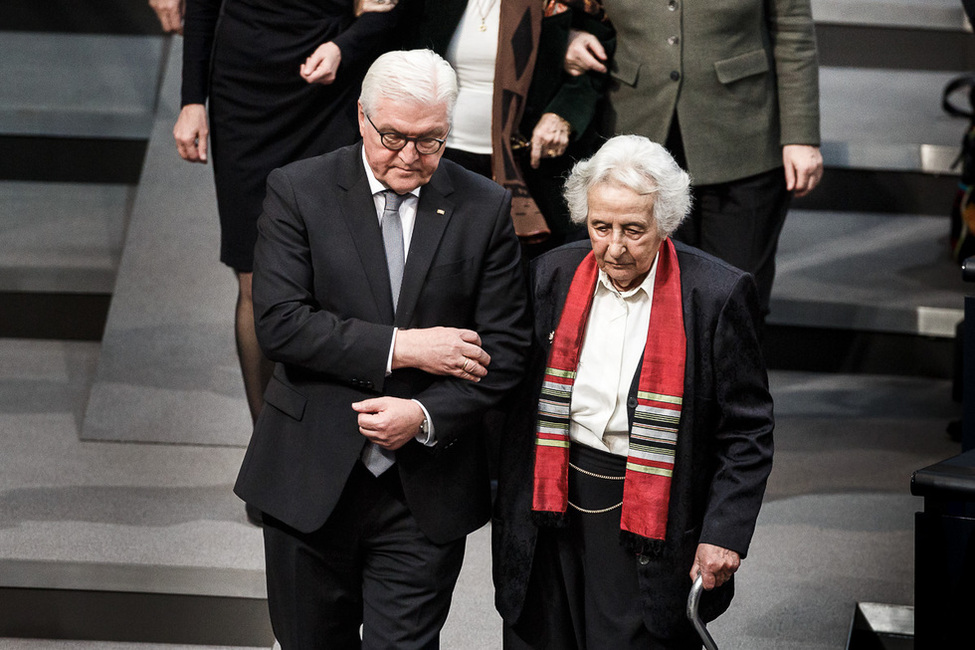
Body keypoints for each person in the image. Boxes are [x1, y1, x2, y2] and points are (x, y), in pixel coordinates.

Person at [234, 49, 532, 649]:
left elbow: (505, 350)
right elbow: (282, 325)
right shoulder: (299, 191)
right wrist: (405, 348)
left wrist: (423, 416)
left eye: (430, 141)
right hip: (308, 478)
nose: (409, 155)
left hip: (425, 490)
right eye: (393, 136)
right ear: (362, 119)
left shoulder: (485, 205)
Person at [493, 135, 774, 649]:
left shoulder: (716, 294)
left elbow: (747, 430)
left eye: (633, 230)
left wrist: (725, 532)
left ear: (665, 222)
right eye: (600, 228)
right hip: (549, 503)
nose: (614, 247)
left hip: (654, 513)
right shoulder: (550, 274)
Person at [173, 0, 404, 440]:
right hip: (244, 91)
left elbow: (395, 6)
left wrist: (347, 44)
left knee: (335, 271)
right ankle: (268, 454)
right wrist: (191, 100)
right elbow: (203, 7)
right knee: (255, 276)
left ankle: (329, 450)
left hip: (328, 87)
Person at [564, 0, 823, 317]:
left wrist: (800, 133)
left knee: (737, 295)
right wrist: (567, 35)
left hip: (744, 135)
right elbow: (563, 8)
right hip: (634, 132)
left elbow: (792, 28)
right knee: (646, 295)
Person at [406, 0, 614, 254]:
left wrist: (561, 114)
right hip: (444, 157)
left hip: (528, 162)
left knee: (522, 272)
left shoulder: (557, 4)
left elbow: (597, 60)